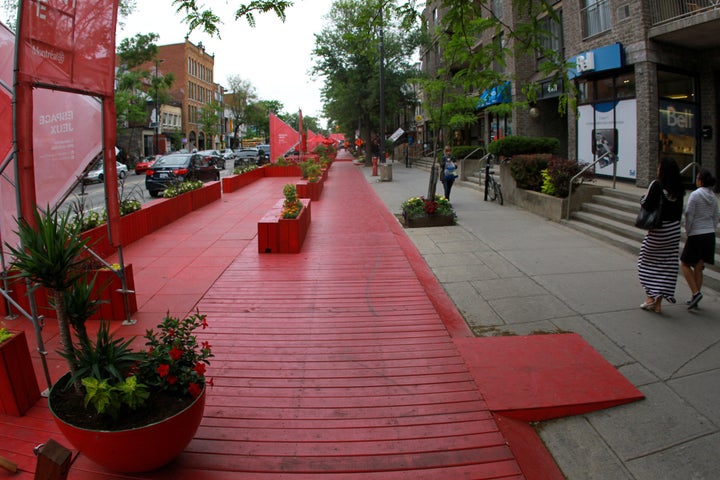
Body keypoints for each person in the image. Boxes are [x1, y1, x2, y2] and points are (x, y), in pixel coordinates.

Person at [638, 157, 685, 313]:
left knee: (645, 261)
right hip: (674, 230)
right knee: (666, 264)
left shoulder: (656, 185)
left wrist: (643, 197)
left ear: (662, 170)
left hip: (660, 229)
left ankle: (650, 297)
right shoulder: (679, 187)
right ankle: (658, 303)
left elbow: (646, 204)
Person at [680, 169, 719, 309]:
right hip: (709, 234)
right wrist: (711, 228)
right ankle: (695, 296)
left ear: (700, 180)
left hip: (697, 233)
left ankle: (695, 293)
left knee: (684, 263)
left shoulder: (695, 195)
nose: (696, 180)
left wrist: (688, 230)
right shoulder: (713, 197)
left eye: (697, 178)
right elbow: (716, 216)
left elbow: (689, 214)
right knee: (698, 265)